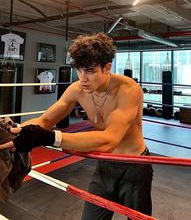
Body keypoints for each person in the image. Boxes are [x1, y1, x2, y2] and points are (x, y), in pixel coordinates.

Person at [0, 32, 153, 219]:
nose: (83, 78)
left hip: (134, 166)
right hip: (104, 164)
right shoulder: (78, 89)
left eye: (90, 71)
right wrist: (15, 129)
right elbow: (44, 121)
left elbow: (109, 139)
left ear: (107, 67)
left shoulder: (128, 90)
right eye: (79, 70)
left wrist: (51, 137)